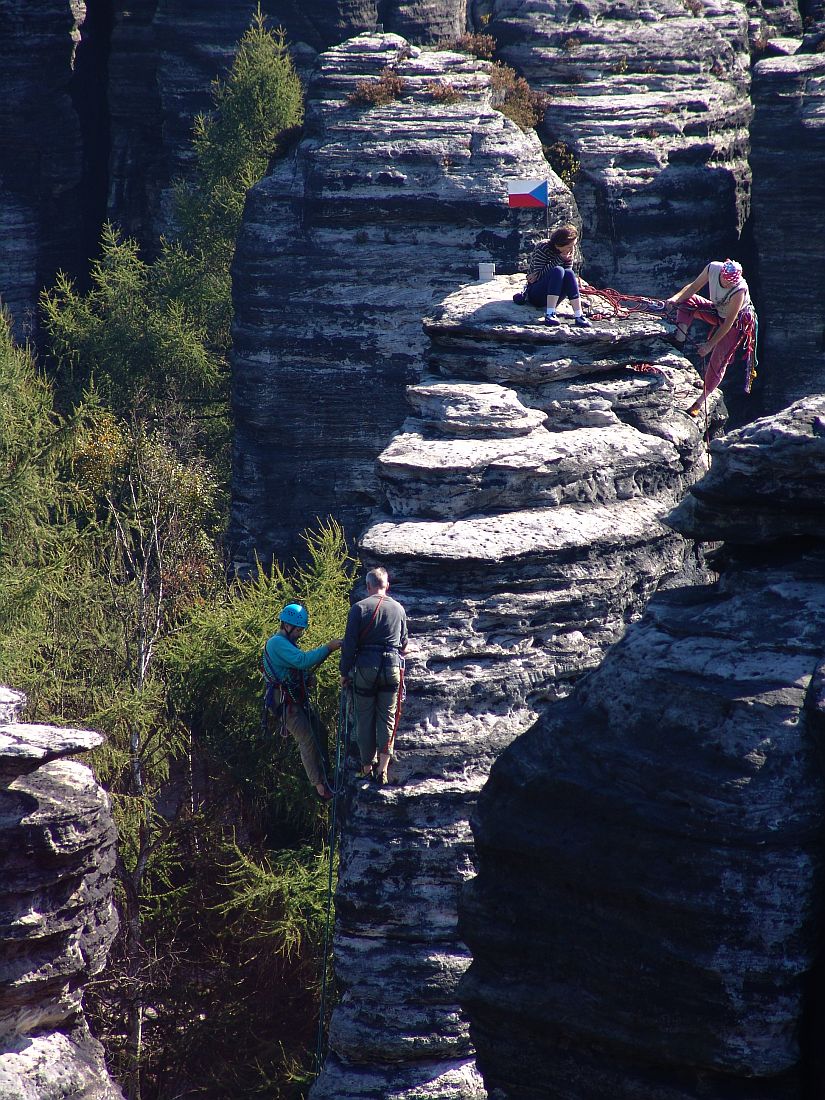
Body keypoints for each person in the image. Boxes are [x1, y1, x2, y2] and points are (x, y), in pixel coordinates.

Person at [263, 603, 342, 801]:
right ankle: (320, 787)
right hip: (286, 705)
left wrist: (305, 679)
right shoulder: (277, 643)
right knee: (307, 738)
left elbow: (296, 667)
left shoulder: (287, 644)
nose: (300, 633)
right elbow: (303, 660)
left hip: (295, 700)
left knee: (320, 732)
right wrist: (328, 648)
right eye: (298, 629)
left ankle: (327, 775)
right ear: (287, 626)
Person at [340, 567, 408, 785]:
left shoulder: (358, 608)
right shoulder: (398, 609)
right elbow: (403, 644)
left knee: (364, 718)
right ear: (387, 585)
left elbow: (349, 645)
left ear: (368, 586)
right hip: (391, 668)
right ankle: (383, 769)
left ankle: (367, 767)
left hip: (365, 668)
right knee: (388, 717)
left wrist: (344, 672)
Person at [666, 258, 757, 417]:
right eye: (726, 281)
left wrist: (709, 345)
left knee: (718, 359)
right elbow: (693, 287)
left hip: (735, 323)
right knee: (688, 302)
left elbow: (728, 322)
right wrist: (675, 299)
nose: (728, 284)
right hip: (717, 311)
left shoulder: (739, 290)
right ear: (721, 273)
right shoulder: (713, 269)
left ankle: (700, 401)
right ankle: (678, 341)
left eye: (731, 283)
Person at [514, 223, 592, 328]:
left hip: (556, 294)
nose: (572, 248)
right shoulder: (543, 247)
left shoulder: (569, 250)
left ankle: (579, 315)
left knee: (569, 273)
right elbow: (538, 276)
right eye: (569, 246)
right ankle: (550, 313)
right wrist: (559, 259)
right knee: (558, 270)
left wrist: (565, 260)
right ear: (561, 244)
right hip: (537, 294)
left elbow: (567, 274)